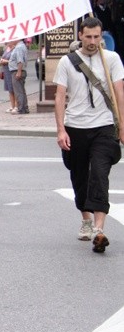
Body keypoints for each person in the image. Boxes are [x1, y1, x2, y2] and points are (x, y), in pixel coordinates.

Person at [54, 16, 124, 254]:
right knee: (80, 176)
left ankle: (99, 229)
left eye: (97, 37)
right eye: (89, 37)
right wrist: (61, 129)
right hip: (75, 126)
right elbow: (60, 96)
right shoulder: (67, 62)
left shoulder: (111, 59)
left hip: (104, 126)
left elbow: (119, 93)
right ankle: (86, 219)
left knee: (100, 174)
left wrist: (122, 126)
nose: (93, 41)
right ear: (81, 36)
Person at [8, 39, 29, 114]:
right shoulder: (21, 46)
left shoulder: (19, 47)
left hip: (17, 71)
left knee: (18, 92)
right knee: (22, 91)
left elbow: (20, 61)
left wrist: (19, 71)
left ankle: (21, 109)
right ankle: (25, 108)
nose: (11, 40)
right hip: (19, 70)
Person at [0, 42, 17, 113]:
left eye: (9, 42)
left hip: (12, 70)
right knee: (9, 89)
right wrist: (1, 61)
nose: (7, 43)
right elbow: (2, 58)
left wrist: (6, 61)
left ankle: (16, 106)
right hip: (6, 71)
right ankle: (12, 106)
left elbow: (15, 61)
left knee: (14, 89)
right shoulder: (7, 49)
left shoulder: (15, 49)